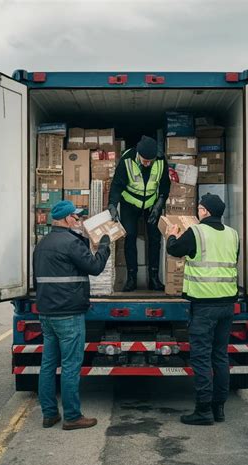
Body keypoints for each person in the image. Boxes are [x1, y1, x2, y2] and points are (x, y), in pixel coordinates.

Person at [33, 200, 111, 430]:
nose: (78, 220)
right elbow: (95, 267)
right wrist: (105, 245)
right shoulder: (70, 242)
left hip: (46, 312)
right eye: (76, 217)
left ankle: (49, 414)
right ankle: (72, 416)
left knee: (48, 364)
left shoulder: (42, 244)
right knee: (70, 365)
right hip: (68, 313)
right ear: (68, 219)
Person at [166, 194, 239, 425]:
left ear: (205, 211)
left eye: (199, 208)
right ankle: (219, 409)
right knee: (220, 356)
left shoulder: (197, 232)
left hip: (204, 306)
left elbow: (175, 250)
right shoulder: (233, 234)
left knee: (201, 358)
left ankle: (203, 411)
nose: (198, 212)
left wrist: (171, 235)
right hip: (227, 305)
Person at [108, 135, 171, 291]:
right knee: (129, 237)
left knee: (155, 238)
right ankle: (131, 279)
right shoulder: (127, 159)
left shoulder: (161, 161)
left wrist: (159, 204)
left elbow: (164, 186)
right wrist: (113, 205)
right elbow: (117, 185)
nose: (148, 163)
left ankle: (154, 279)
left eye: (151, 160)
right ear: (138, 154)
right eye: (145, 160)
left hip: (150, 204)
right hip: (130, 203)